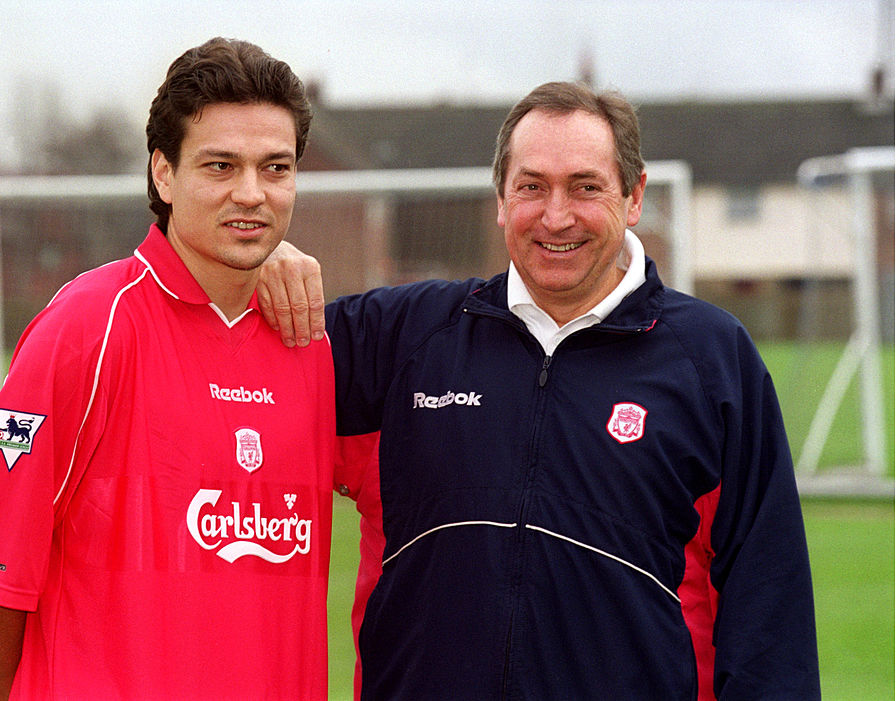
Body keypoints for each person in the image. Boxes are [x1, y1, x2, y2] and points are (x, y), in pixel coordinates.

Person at [260, 82, 820, 699]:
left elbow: (770, 606)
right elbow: (211, 364)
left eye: (585, 186)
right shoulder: (400, 340)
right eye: (532, 187)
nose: (557, 216)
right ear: (501, 198)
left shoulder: (712, 359)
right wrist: (254, 261)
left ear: (633, 196)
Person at [0, 37, 338, 700]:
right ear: (163, 173)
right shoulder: (84, 329)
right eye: (220, 165)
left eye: (276, 167)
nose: (251, 192)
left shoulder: (312, 340)